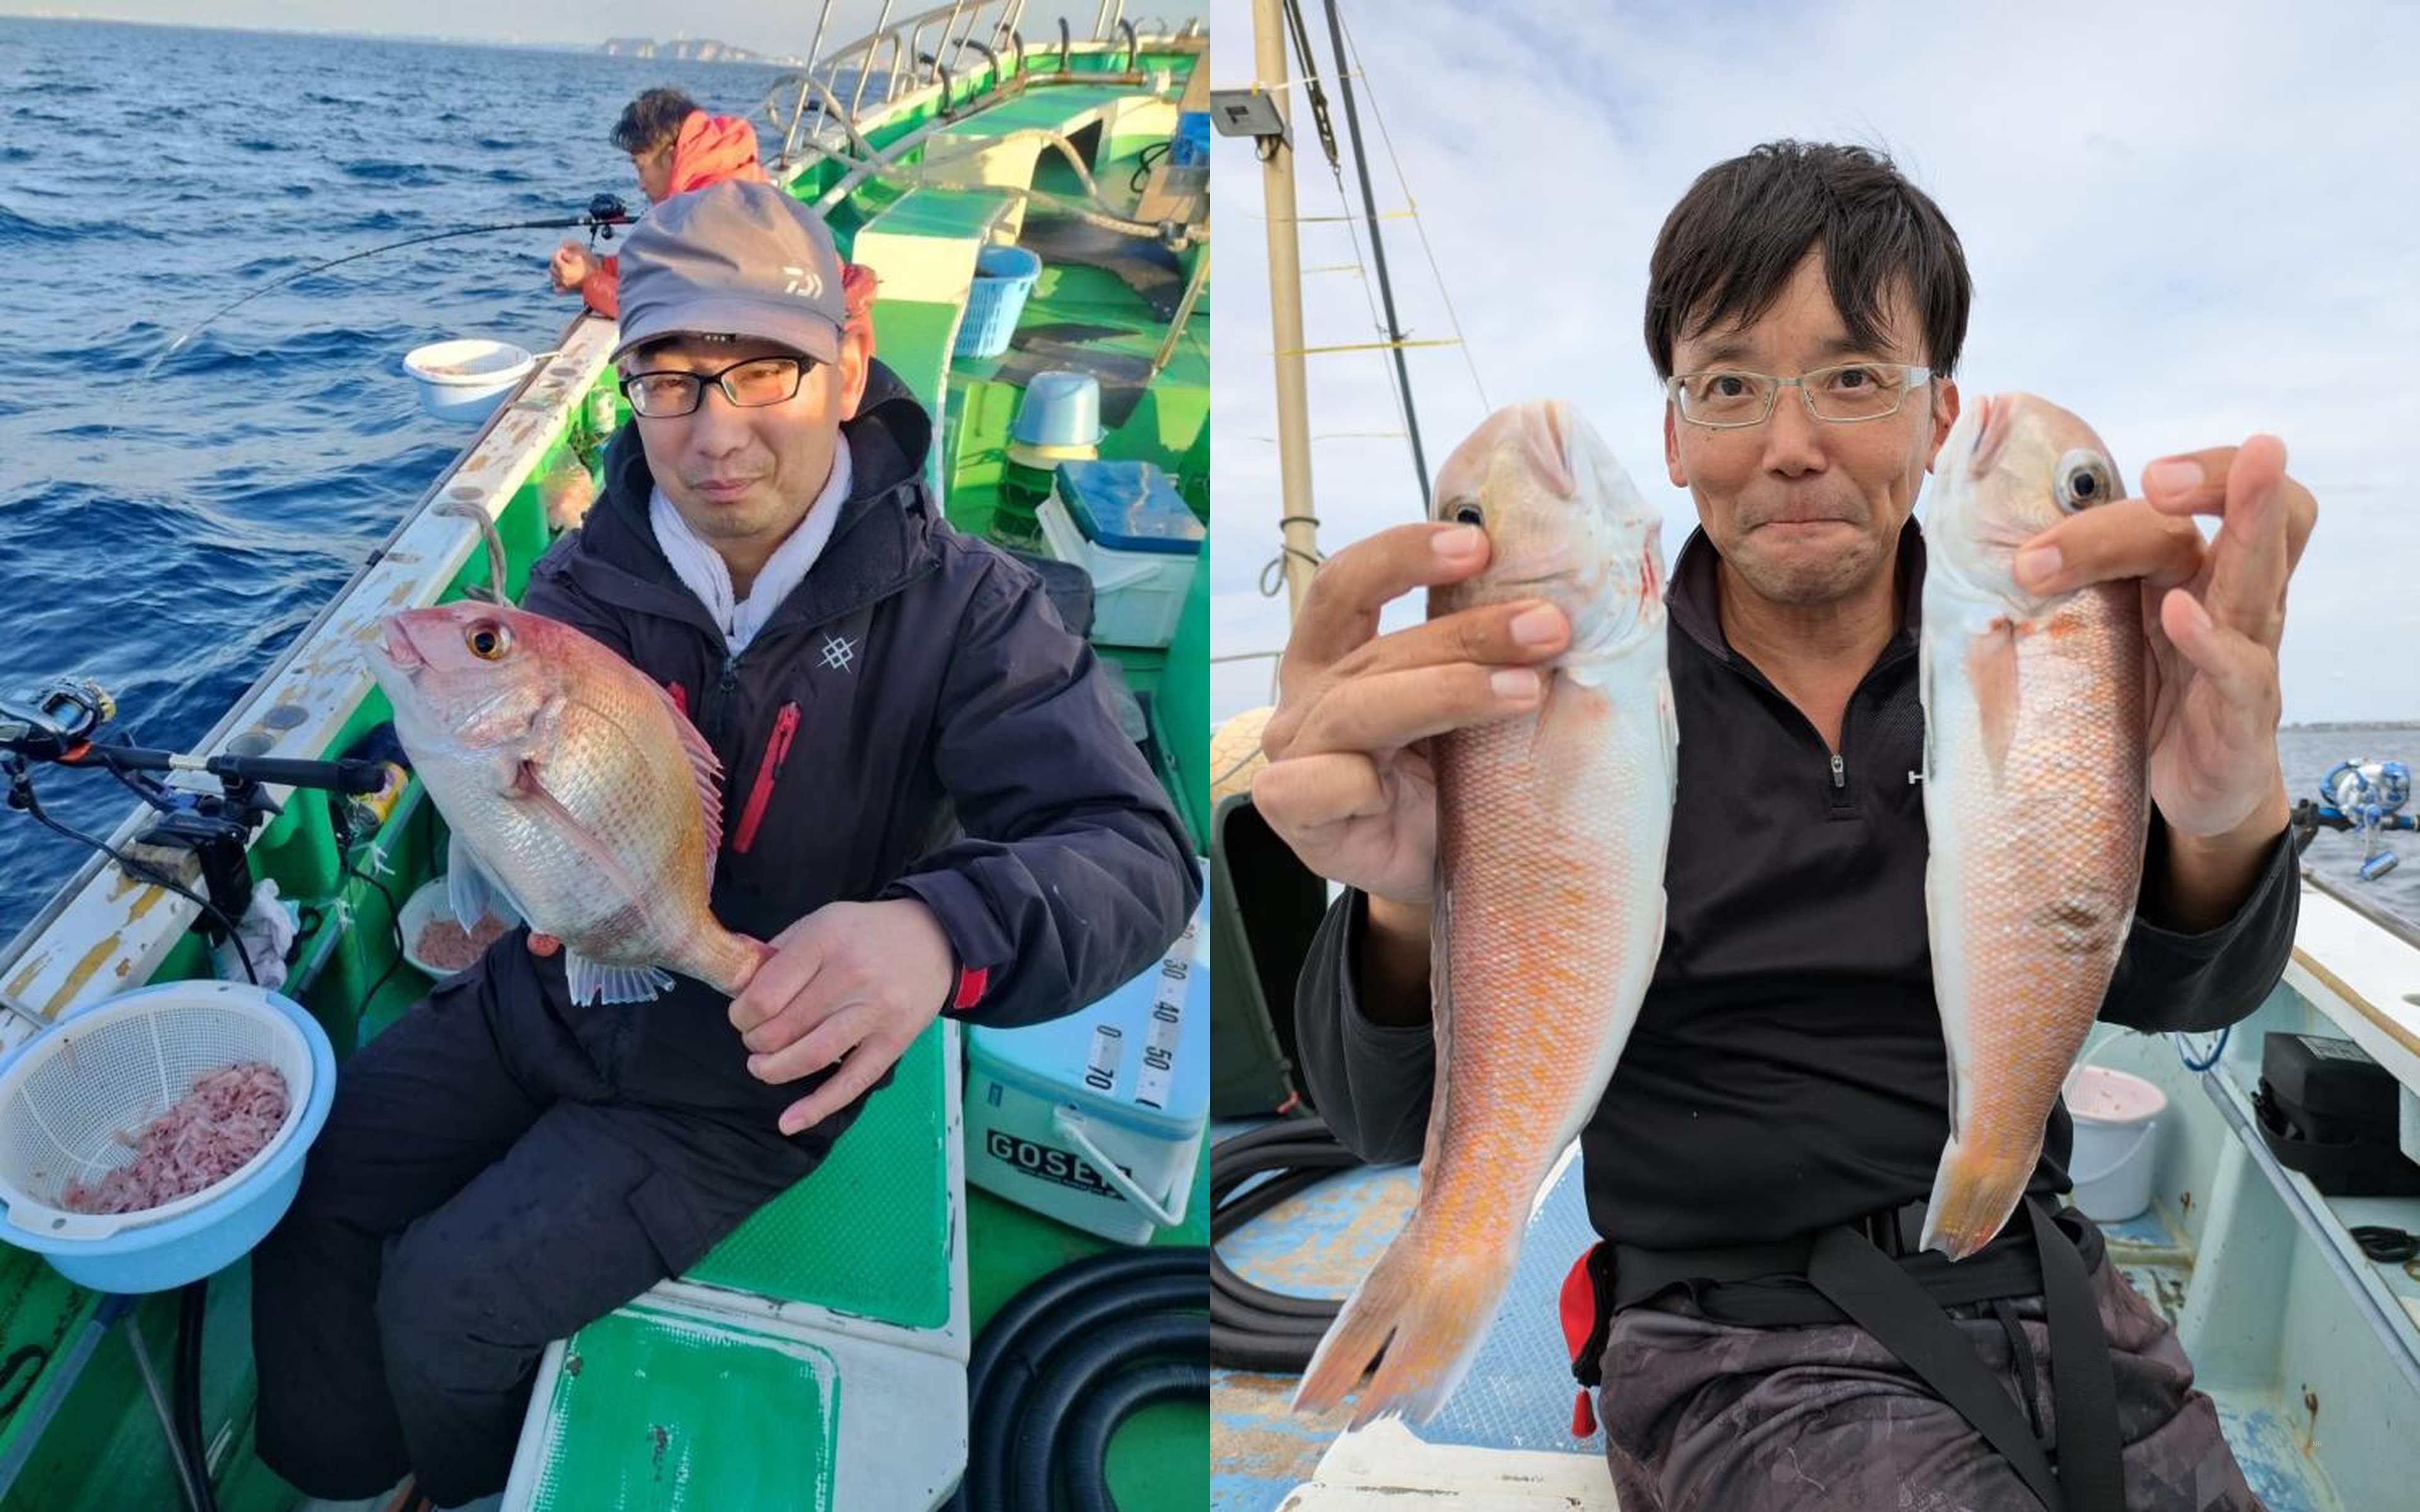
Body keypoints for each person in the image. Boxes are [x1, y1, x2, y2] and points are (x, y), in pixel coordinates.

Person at [1257, 141, 2315, 1511]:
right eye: (1732, 384)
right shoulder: (1539, 695)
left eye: (1855, 377)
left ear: (1940, 421)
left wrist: (2221, 818)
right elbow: (1381, 1115)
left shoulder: (2055, 654)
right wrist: (1411, 897)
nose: (1792, 443)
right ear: (1676, 436)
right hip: (1727, 1337)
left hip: (2048, 1280)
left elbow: (2186, 992)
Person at [253, 179, 1199, 1509]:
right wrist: (511, 864)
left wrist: (939, 933)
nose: (717, 431)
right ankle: (344, 1479)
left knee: (447, 1299)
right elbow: (521, 821)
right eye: (672, 381)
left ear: (848, 367)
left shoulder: (973, 611)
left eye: (766, 370)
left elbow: (1139, 854)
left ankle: (458, 1490)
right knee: (326, 1180)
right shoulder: (577, 586)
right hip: (547, 993)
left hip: (747, 1075)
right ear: (628, 387)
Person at [553, 86, 882, 358]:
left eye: (641, 167)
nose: (639, 183)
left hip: (815, 361)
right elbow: (677, 269)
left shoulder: (705, 211)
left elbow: (654, 305)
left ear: (670, 155)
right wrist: (599, 266)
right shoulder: (736, 180)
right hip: (836, 342)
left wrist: (590, 281)